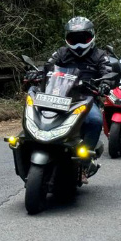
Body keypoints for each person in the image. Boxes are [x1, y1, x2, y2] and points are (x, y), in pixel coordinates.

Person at [47, 17, 113, 184]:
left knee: (95, 121)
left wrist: (106, 83)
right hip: (58, 97)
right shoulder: (61, 53)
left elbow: (108, 72)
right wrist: (37, 73)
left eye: (82, 38)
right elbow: (47, 67)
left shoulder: (100, 56)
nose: (77, 43)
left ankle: (83, 164)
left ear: (91, 37)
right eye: (73, 38)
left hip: (85, 100)